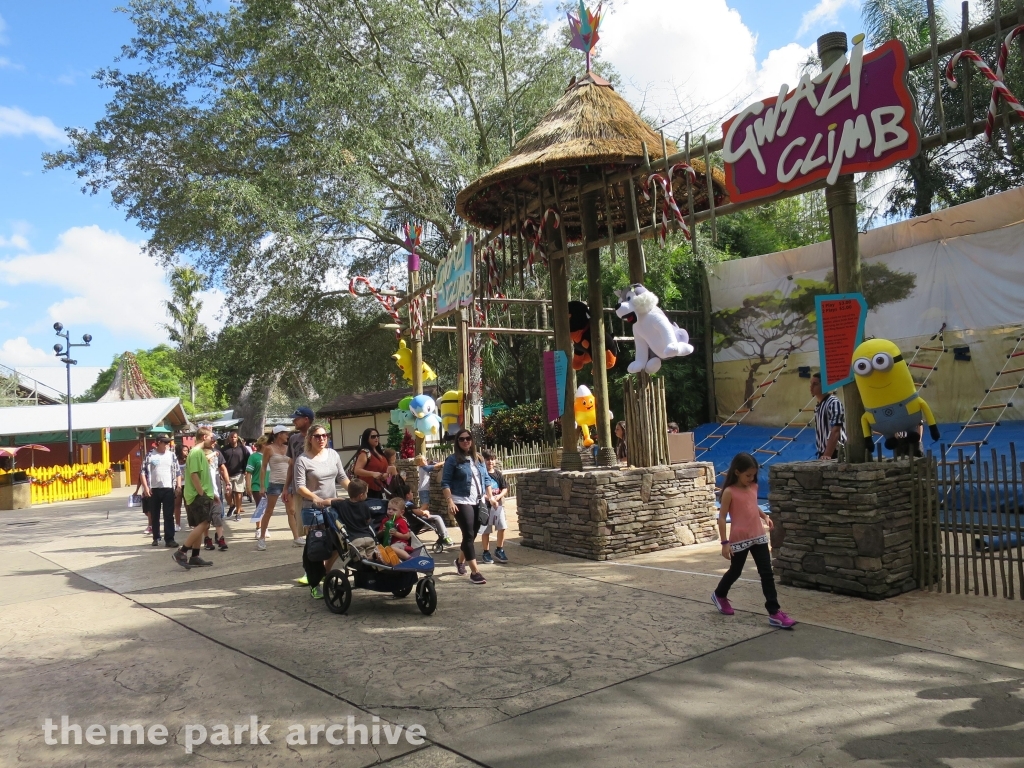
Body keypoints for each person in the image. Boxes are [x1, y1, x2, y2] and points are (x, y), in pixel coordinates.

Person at [711, 452, 795, 629]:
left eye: (753, 475)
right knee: (735, 571)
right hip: (739, 538)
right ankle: (719, 594)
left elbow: (752, 505)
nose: (751, 478)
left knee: (767, 573)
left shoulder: (754, 487)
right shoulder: (729, 492)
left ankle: (774, 612)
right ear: (737, 472)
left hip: (758, 536)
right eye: (747, 475)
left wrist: (764, 516)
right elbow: (722, 517)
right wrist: (724, 543)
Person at [294, 423, 350, 598]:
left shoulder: (332, 454)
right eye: (317, 436)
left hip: (332, 506)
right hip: (312, 509)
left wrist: (355, 493)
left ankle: (324, 573)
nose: (322, 439)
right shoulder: (303, 460)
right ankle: (314, 583)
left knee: (338, 543)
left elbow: (342, 477)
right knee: (317, 547)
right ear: (310, 439)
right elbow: (300, 487)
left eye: (324, 435)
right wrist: (315, 498)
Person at [441, 429, 494, 585]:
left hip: (478, 501)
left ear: (472, 441)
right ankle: (475, 572)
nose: (465, 441)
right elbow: (445, 482)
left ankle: (459, 561)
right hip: (460, 500)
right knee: (469, 534)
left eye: (468, 438)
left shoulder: (478, 459)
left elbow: (486, 479)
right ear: (457, 442)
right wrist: (450, 501)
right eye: (461, 439)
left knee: (470, 535)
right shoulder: (452, 460)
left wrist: (490, 497)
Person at [173, 427, 217, 569]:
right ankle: (182, 551)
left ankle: (195, 556)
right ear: (204, 437)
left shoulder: (197, 453)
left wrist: (212, 494)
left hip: (199, 494)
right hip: (198, 495)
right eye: (211, 438)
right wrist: (202, 493)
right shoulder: (197, 453)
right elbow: (194, 474)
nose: (213, 441)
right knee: (204, 523)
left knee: (200, 524)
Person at [141, 436, 181, 548]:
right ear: (158, 443)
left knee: (168, 515)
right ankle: (156, 537)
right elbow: (143, 472)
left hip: (168, 488)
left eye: (168, 443)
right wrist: (146, 487)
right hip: (153, 489)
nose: (167, 445)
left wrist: (178, 486)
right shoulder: (150, 455)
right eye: (165, 443)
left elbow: (177, 471)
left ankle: (169, 539)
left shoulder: (171, 455)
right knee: (155, 515)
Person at [257, 425, 292, 551]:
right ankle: (261, 538)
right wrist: (262, 485)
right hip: (274, 483)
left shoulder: (289, 448)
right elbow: (263, 467)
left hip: (287, 483)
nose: (288, 436)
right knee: (269, 511)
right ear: (279, 434)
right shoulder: (269, 448)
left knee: (291, 510)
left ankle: (297, 537)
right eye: (285, 433)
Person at [283, 407, 313, 547]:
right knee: (304, 525)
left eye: (297, 418)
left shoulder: (318, 437)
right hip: (298, 488)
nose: (293, 420)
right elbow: (291, 464)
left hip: (315, 488)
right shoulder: (293, 438)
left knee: (318, 524)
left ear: (306, 419)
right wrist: (286, 488)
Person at [411, 455, 453, 546]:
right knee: (425, 504)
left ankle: (420, 514)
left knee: (426, 504)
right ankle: (418, 515)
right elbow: (436, 466)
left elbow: (431, 464)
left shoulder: (423, 467)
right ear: (419, 463)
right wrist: (445, 462)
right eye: (423, 460)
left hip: (423, 490)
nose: (426, 460)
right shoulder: (424, 468)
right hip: (424, 490)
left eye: (425, 459)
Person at [331, 479, 377, 560]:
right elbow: (368, 520)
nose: (367, 495)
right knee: (373, 557)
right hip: (368, 537)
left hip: (355, 540)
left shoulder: (341, 504)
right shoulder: (364, 505)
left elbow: (328, 502)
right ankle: (373, 559)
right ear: (361, 495)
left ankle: (364, 560)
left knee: (361, 559)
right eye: (366, 493)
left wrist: (339, 499)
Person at [480, 449, 509, 564]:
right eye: (487, 459)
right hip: (486, 506)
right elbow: (480, 492)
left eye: (492, 459)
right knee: (486, 530)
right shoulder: (481, 474)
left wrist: (498, 497)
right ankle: (486, 552)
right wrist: (490, 499)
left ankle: (499, 549)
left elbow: (505, 488)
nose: (490, 462)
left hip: (498, 506)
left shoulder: (498, 474)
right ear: (483, 461)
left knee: (502, 527)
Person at [811, 373, 846, 460]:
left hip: (835, 453)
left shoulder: (833, 403)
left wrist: (827, 455)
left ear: (824, 386)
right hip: (824, 452)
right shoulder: (819, 405)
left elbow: (836, 431)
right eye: (811, 384)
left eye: (815, 384)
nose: (811, 387)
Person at [203, 440, 231, 551]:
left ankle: (220, 538)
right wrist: (213, 454)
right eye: (212, 441)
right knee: (206, 519)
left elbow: (223, 468)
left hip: (216, 491)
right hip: (204, 493)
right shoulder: (200, 455)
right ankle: (207, 538)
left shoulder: (217, 454)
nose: (214, 443)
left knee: (217, 515)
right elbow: (204, 459)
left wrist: (227, 482)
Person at [353, 427, 392, 498]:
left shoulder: (381, 453)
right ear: (367, 439)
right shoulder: (364, 453)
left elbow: (384, 470)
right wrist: (372, 474)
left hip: (382, 489)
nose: (376, 438)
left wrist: (386, 475)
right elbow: (357, 470)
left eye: (377, 436)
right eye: (373, 437)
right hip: (367, 491)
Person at [220, 428, 248, 521]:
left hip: (239, 474)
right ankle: (232, 506)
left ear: (237, 438)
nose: (233, 438)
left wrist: (246, 470)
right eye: (231, 437)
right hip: (227, 475)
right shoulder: (223, 450)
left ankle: (238, 513)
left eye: (234, 437)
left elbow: (248, 458)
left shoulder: (242, 448)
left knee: (239, 494)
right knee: (227, 494)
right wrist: (221, 473)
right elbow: (220, 463)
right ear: (228, 438)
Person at [379, 497, 413, 561]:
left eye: (394, 510)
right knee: (381, 548)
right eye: (389, 509)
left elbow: (407, 536)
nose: (390, 511)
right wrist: (382, 531)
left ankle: (409, 558)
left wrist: (396, 534)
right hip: (387, 543)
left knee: (392, 548)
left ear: (401, 512)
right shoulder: (385, 520)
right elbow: (378, 534)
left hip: (400, 543)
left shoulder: (401, 521)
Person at [245, 436, 267, 508]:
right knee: (260, 508)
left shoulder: (270, 456)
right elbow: (248, 473)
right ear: (263, 444)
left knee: (268, 510)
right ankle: (258, 520)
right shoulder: (254, 457)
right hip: (257, 486)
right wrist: (248, 487)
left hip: (270, 486)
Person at [173, 443, 189, 532]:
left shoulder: (189, 460)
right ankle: (177, 524)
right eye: (184, 450)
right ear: (179, 451)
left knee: (188, 504)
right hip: (178, 485)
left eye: (187, 450)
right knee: (177, 505)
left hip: (187, 485)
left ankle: (190, 522)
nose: (186, 452)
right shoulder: (175, 461)